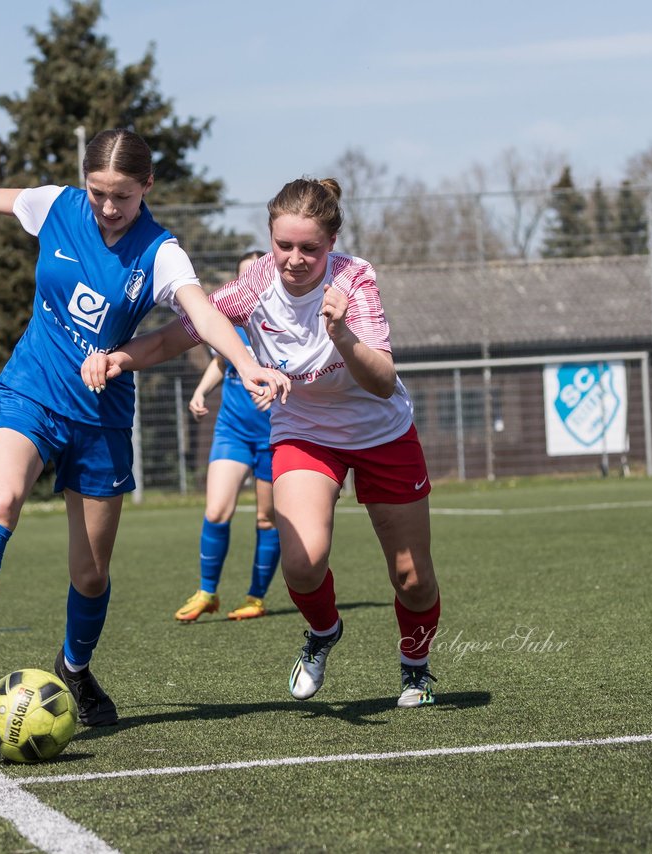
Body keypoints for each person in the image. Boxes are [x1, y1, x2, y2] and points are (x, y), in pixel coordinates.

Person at [0, 129, 288, 726]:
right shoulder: (56, 206)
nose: (108, 207)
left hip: (102, 417)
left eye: (123, 196)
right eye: (98, 193)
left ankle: (75, 670)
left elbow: (202, 313)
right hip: (29, 391)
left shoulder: (159, 252)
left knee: (90, 573)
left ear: (147, 188)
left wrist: (246, 363)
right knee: (0, 499)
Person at [82, 177, 442, 708]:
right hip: (304, 431)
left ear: (332, 244)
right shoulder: (254, 286)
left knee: (412, 578)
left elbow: (384, 380)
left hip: (381, 432)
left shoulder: (355, 281)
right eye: (284, 246)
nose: (295, 259)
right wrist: (117, 359)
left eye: (310, 248)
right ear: (270, 239)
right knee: (302, 562)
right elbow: (174, 335)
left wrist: (343, 334)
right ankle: (323, 633)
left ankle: (416, 668)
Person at [174, 250, 281, 622]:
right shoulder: (229, 319)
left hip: (276, 436)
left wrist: (283, 394)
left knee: (267, 519)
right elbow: (222, 360)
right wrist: (201, 390)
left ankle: (255, 597)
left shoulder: (286, 323)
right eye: (243, 278)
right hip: (232, 429)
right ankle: (207, 592)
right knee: (217, 509)